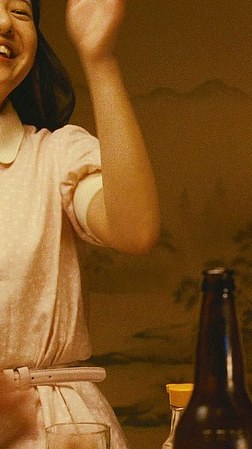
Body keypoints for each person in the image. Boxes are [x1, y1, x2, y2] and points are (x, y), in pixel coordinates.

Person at [0, 0, 159, 448]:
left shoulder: (55, 156)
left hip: (56, 430)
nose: (4, 22)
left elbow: (134, 229)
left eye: (21, 11)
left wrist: (100, 60)